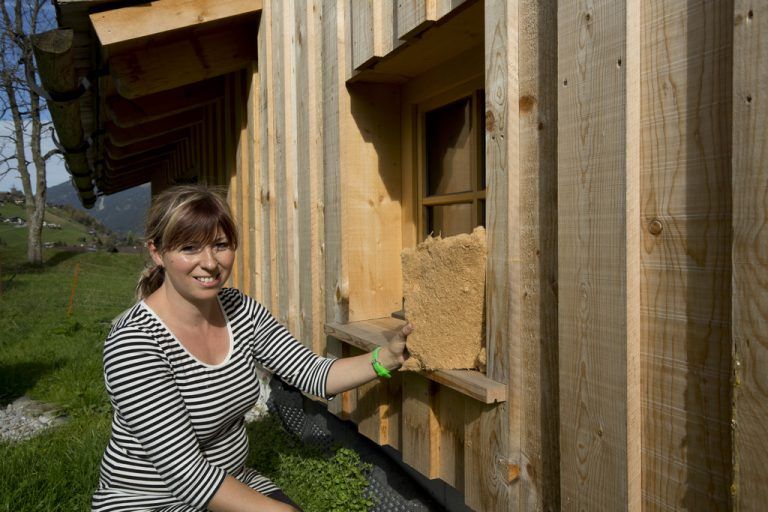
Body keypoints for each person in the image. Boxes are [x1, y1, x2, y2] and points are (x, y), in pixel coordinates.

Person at [91, 185, 410, 512]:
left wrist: (387, 357)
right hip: (150, 500)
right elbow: (185, 474)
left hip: (232, 482)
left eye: (220, 245)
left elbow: (312, 373)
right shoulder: (134, 342)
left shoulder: (239, 310)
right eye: (189, 248)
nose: (209, 263)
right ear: (157, 253)